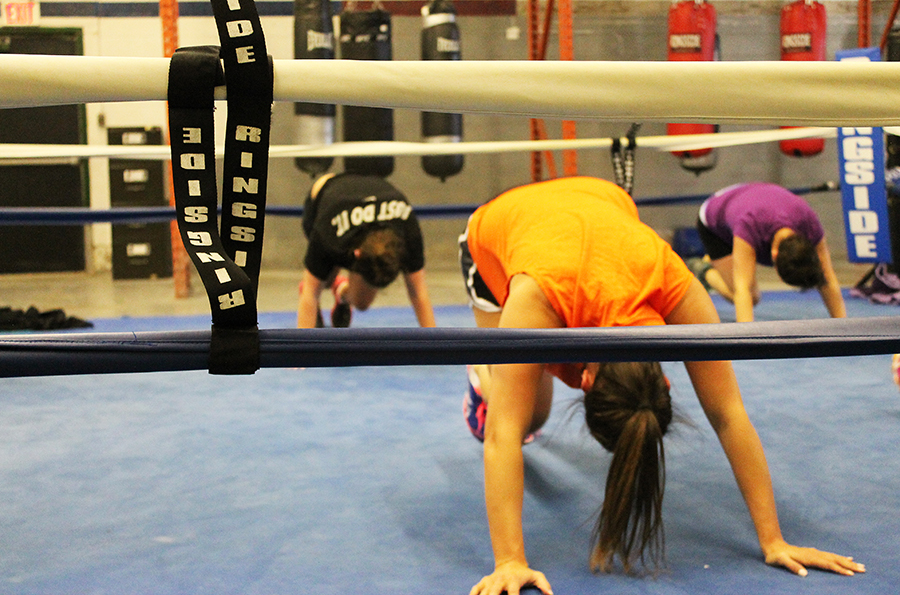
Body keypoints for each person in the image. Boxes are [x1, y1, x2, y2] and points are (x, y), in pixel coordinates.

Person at [458, 176, 864, 595]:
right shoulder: (538, 298)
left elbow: (727, 413)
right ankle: (481, 372)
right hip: (497, 229)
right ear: (587, 380)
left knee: (525, 406)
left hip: (599, 202)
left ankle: (503, 375)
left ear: (663, 380)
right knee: (525, 417)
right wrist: (509, 561)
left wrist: (774, 540)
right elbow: (502, 434)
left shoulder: (674, 283)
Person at [297, 172, 436, 328]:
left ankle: (341, 291)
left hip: (362, 200)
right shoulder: (329, 234)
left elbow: (418, 293)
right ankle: (331, 284)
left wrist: (436, 342)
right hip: (323, 198)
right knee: (323, 281)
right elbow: (310, 293)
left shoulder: (408, 233)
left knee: (361, 303)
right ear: (356, 254)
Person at [692, 182, 845, 322]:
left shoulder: (810, 225)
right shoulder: (749, 228)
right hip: (715, 220)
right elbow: (742, 290)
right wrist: (746, 339)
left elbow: (827, 277)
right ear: (774, 255)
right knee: (751, 297)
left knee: (749, 293)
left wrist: (843, 326)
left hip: (749, 198)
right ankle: (704, 271)